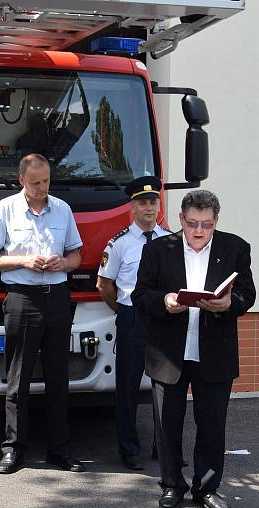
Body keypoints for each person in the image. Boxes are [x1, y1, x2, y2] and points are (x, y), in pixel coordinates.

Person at [132, 189, 255, 508]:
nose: (199, 231)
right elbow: (140, 295)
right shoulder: (159, 249)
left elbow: (247, 296)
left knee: (212, 424)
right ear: (180, 220)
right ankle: (172, 485)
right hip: (169, 353)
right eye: (192, 224)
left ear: (216, 221)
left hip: (215, 353)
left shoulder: (236, 248)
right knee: (167, 424)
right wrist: (165, 302)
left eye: (207, 224)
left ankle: (207, 488)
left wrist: (230, 303)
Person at [0, 153, 84, 475]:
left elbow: (76, 256)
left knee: (58, 379)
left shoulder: (63, 209)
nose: (43, 188)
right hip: (22, 299)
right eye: (36, 182)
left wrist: (63, 264)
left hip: (57, 299)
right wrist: (23, 262)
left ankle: (59, 451)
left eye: (47, 181)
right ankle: (13, 450)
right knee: (18, 380)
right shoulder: (5, 209)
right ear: (21, 180)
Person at [96, 176, 171, 471]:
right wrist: (125, 310)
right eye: (143, 202)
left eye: (153, 202)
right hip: (132, 318)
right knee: (127, 386)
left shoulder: (170, 241)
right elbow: (104, 284)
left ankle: (163, 447)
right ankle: (129, 449)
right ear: (133, 207)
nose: (149, 208)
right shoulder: (119, 244)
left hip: (163, 319)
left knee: (166, 386)